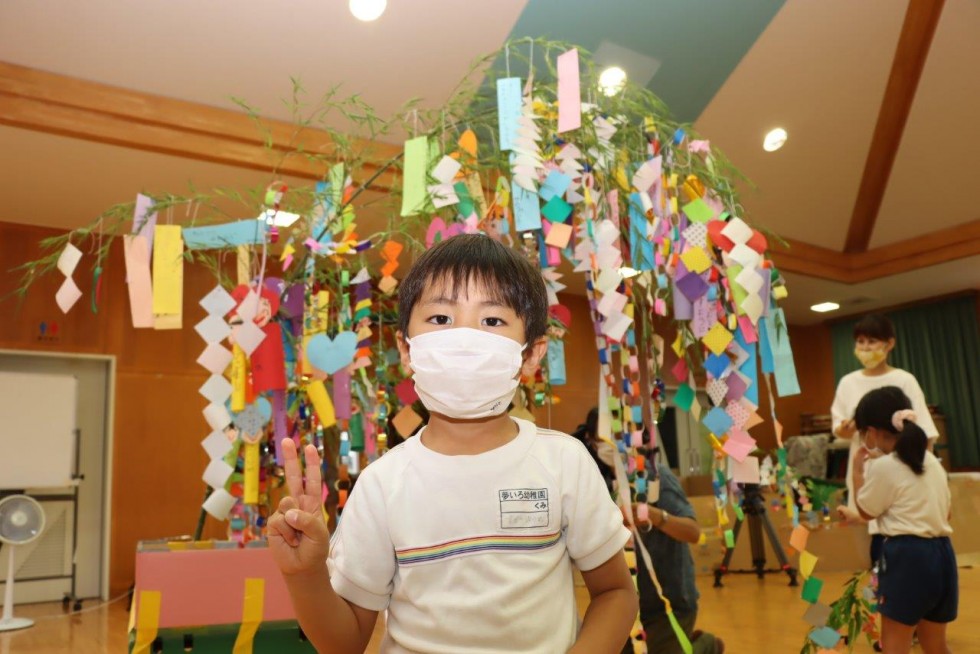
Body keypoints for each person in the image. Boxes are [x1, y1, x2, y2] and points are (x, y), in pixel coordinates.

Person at [268, 234, 637, 653]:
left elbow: (615, 593)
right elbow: (345, 642)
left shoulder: (564, 462)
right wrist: (306, 575)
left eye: (492, 321)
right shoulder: (381, 485)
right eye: (441, 319)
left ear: (531, 355)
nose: (463, 339)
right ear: (406, 351)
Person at [852, 386, 956, 654]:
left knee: (895, 646)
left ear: (872, 432)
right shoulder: (932, 461)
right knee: (936, 646)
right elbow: (947, 514)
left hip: (908, 558)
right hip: (943, 555)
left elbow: (866, 511)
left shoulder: (885, 466)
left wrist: (857, 470)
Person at [830, 313, 938, 565]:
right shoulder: (848, 382)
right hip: (866, 467)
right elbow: (839, 428)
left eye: (872, 342)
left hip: (902, 471)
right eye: (860, 342)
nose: (865, 348)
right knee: (874, 540)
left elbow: (924, 431)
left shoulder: (904, 379)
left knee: (899, 532)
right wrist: (848, 428)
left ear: (889, 344)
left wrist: (926, 472)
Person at [624, 453, 724, 654]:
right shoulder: (594, 482)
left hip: (670, 604)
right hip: (627, 607)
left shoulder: (655, 476)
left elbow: (693, 532)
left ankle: (706, 646)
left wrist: (656, 515)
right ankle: (680, 646)